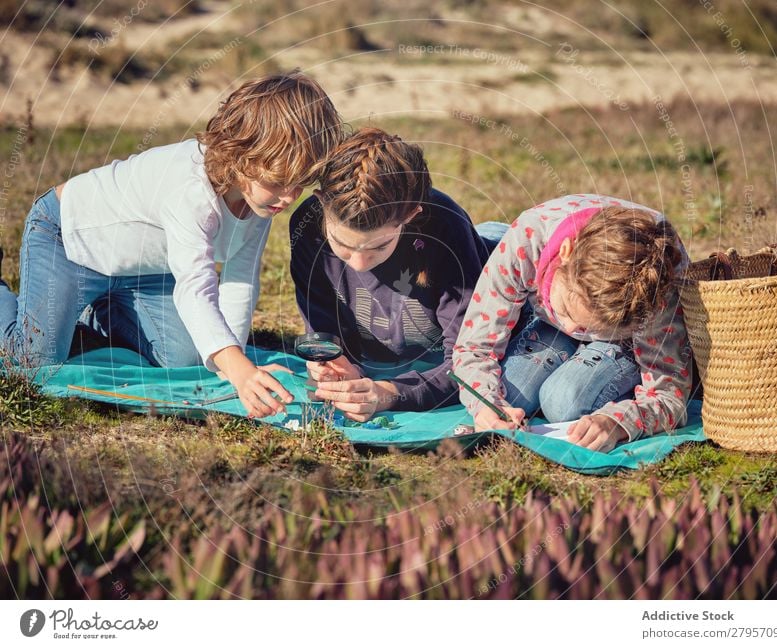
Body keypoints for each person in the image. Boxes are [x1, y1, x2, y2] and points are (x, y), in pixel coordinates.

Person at [0, 71, 343, 419]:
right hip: (67, 241)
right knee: (33, 361)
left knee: (189, 358)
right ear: (244, 155)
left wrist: (233, 366)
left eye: (300, 182)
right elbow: (195, 287)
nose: (289, 197)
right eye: (280, 181)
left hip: (144, 272)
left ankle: (98, 310)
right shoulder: (190, 188)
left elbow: (241, 282)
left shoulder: (261, 203)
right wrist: (240, 369)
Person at [289, 127, 508, 421]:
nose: (358, 264)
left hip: (493, 261)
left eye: (378, 247)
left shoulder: (446, 229)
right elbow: (325, 329)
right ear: (321, 204)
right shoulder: (307, 226)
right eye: (342, 245)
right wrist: (336, 363)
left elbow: (470, 360)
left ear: (410, 215)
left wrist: (389, 393)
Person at [452, 194, 692, 452]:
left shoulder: (655, 285)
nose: (570, 328)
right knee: (510, 397)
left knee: (564, 402)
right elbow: (474, 346)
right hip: (546, 323)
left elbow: (669, 393)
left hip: (623, 342)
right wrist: (486, 406)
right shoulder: (526, 240)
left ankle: (604, 344)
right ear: (565, 252)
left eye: (593, 326)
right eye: (567, 308)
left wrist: (619, 422)